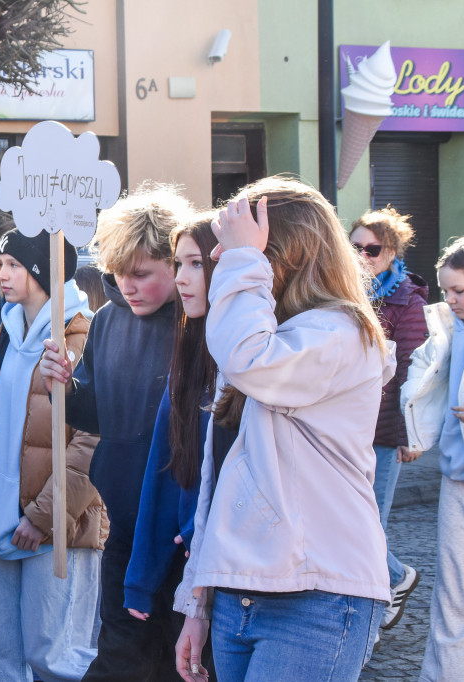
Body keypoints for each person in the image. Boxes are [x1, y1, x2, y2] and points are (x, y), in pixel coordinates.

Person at [174, 177, 392, 682]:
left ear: (284, 255)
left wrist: (241, 261)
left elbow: (250, 358)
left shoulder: (343, 334)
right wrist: (198, 604)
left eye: (234, 254)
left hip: (318, 595)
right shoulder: (257, 343)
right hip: (238, 594)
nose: (218, 266)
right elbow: (221, 493)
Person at [0, 229, 106, 681]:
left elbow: (90, 443)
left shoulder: (82, 335)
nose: (1, 275)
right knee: (0, 653)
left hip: (54, 526)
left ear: (40, 271)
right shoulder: (8, 333)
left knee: (55, 655)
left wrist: (43, 515)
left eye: (12, 265)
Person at [38, 183, 194, 681]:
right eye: (117, 274)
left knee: (177, 657)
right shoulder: (106, 322)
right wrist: (64, 387)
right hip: (124, 520)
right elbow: (98, 414)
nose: (126, 285)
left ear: (176, 264)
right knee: (122, 652)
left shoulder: (199, 325)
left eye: (141, 275)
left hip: (181, 525)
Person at [123, 216, 218, 662]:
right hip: (193, 570)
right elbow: (165, 470)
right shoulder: (188, 356)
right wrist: (142, 577)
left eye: (196, 263)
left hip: (249, 574)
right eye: (178, 263)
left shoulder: (262, 358)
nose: (181, 277)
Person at [402, 234, 464, 680]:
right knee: (454, 593)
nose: (450, 300)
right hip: (457, 476)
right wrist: (416, 434)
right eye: (446, 291)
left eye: (460, 291)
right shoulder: (447, 326)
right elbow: (424, 386)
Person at [350, 207, 428, 635]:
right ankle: (397, 578)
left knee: (368, 527)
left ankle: (374, 617)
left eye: (373, 249)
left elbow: (412, 372)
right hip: (346, 429)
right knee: (352, 522)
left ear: (392, 251)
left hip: (382, 432)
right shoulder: (344, 287)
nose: (364, 255)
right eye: (356, 246)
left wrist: (407, 435)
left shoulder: (406, 300)